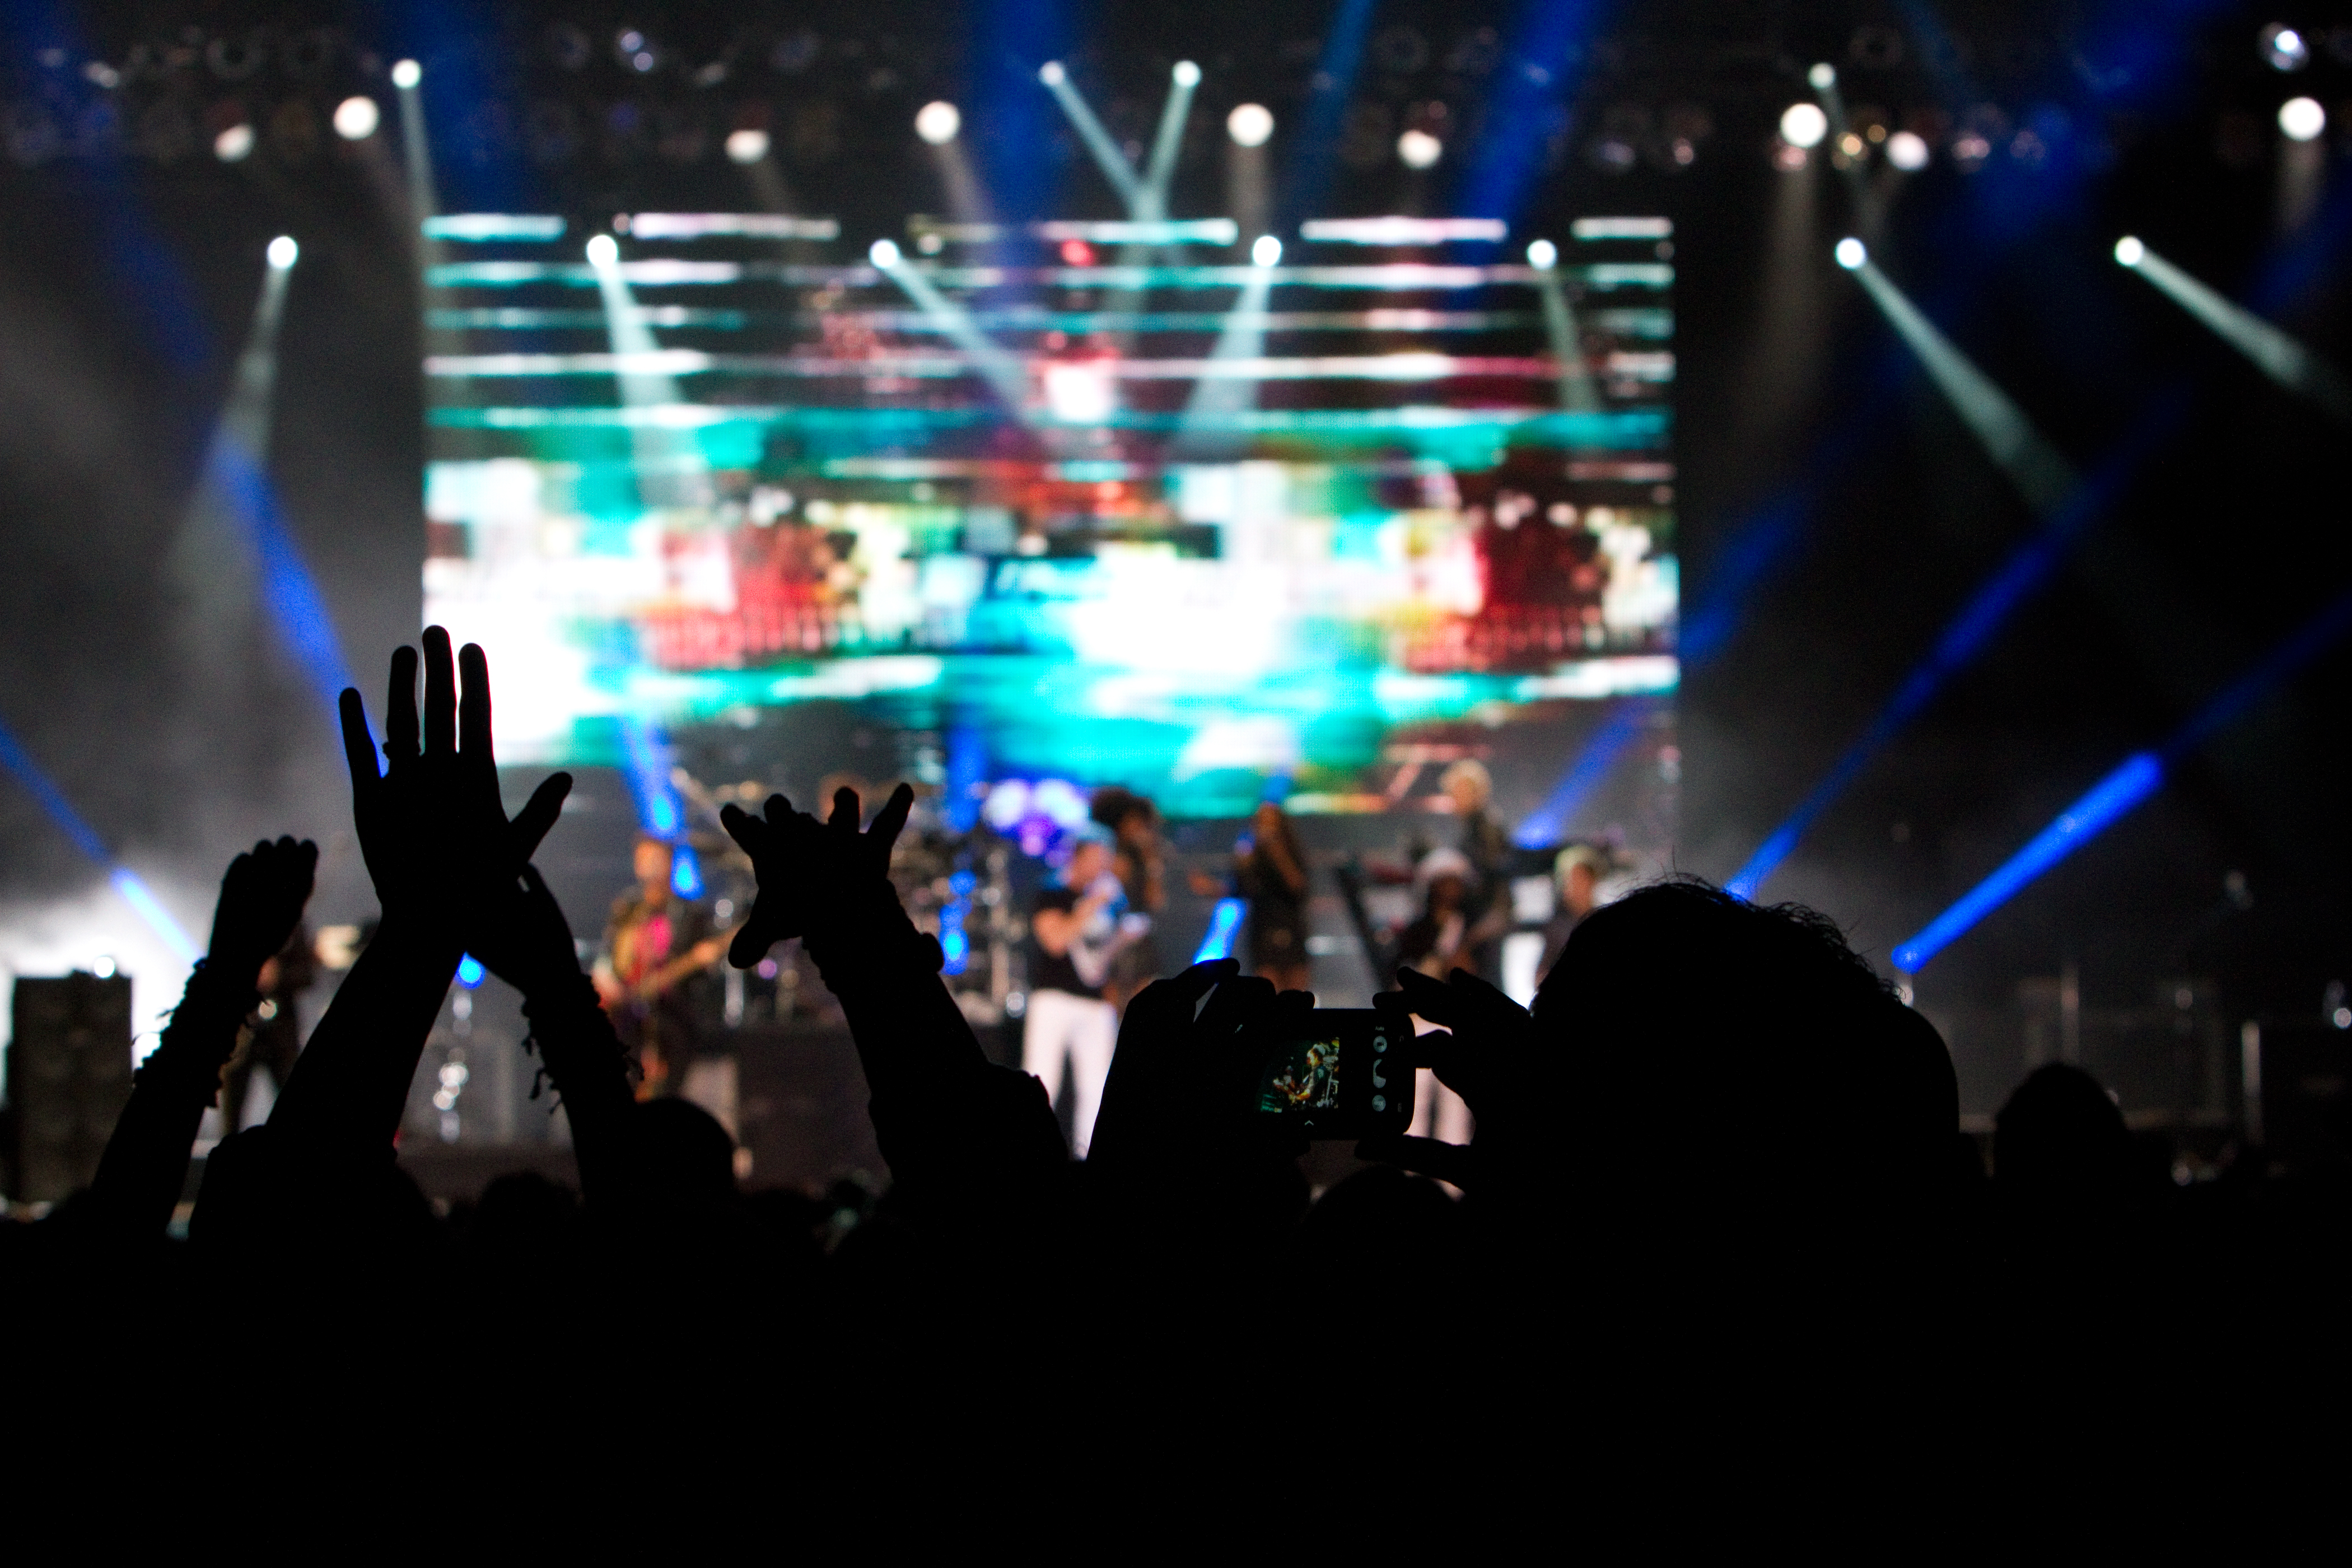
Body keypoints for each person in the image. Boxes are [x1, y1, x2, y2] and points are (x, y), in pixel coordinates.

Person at [1023, 827, 1136, 1158]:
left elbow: (1098, 963)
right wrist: (1090, 906)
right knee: (1041, 1082)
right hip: (1053, 999)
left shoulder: (1111, 903)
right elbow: (1056, 942)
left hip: (1095, 1005)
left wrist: (1123, 938)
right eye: (1099, 857)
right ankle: (1030, 1156)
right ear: (1081, 856)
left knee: (1098, 1091)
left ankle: (1090, 1163)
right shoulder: (1052, 891)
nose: (1104, 866)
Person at [595, 834, 726, 1101]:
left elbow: (705, 975)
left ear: (671, 863)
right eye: (644, 859)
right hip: (628, 1018)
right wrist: (609, 985)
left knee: (668, 1092)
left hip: (674, 1017)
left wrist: (703, 962)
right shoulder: (628, 909)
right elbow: (607, 958)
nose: (651, 865)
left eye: (657, 858)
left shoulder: (690, 913)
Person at [1090, 786, 1166, 1011]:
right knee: (1111, 999)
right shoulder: (1108, 853)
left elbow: (1156, 901)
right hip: (1112, 936)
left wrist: (1152, 862)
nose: (1141, 828)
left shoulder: (1144, 858)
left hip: (1139, 936)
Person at [1439, 759, 1513, 982]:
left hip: (1488, 921)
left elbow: (1490, 878)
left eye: (1459, 792)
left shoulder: (1487, 828)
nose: (1454, 799)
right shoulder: (1471, 829)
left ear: (1476, 792)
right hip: (1483, 921)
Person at [1231, 800, 1312, 994]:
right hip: (1263, 930)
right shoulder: (1250, 856)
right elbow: (1241, 890)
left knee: (1296, 994)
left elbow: (1299, 887)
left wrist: (1277, 851)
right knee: (1267, 991)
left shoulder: (1291, 852)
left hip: (1291, 927)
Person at [1536, 843, 1608, 982]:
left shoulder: (1606, 919)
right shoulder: (1556, 928)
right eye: (1572, 879)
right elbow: (1541, 976)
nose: (1577, 885)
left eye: (1582, 878)